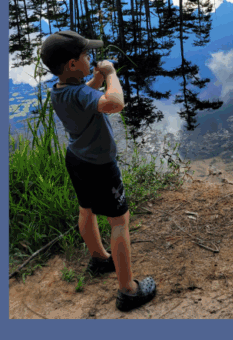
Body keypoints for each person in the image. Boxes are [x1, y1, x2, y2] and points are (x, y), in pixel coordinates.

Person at [39, 29, 156, 312]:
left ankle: (100, 258)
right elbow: (114, 103)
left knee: (86, 209)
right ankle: (128, 290)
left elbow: (86, 93)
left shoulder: (60, 90)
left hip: (77, 159)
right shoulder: (79, 92)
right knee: (119, 221)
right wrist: (112, 74)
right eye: (85, 55)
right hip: (100, 166)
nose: (90, 57)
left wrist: (98, 78)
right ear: (72, 64)